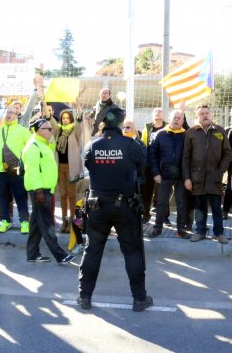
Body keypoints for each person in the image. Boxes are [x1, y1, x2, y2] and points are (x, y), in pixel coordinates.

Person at [77, 107, 152, 312]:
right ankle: (139, 299)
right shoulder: (131, 145)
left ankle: (84, 296)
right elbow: (141, 168)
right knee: (132, 252)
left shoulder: (92, 145)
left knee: (92, 251)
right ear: (120, 124)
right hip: (125, 206)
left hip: (97, 206)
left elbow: (89, 165)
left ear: (103, 123)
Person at [22, 119, 76, 265]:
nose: (52, 131)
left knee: (35, 225)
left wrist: (50, 135)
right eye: (49, 129)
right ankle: (60, 255)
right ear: (40, 130)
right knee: (47, 225)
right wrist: (39, 191)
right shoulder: (33, 146)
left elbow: (52, 144)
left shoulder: (43, 143)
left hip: (45, 190)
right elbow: (32, 171)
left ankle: (32, 254)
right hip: (40, 191)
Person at [183, 104, 232, 243]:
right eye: (201, 113)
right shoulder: (191, 132)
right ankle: (200, 231)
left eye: (207, 113)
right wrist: (187, 178)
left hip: (215, 177)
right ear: (197, 116)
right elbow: (185, 157)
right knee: (199, 208)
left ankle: (219, 233)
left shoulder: (220, 131)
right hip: (197, 178)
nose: (205, 115)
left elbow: (227, 153)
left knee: (217, 207)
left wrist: (220, 170)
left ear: (210, 115)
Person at [0, 106, 31, 233]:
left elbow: (30, 147)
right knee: (3, 196)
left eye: (12, 113)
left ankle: (24, 222)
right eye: (7, 112)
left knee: (20, 196)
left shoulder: (23, 131)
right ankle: (5, 220)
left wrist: (24, 163)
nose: (8, 115)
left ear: (17, 115)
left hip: (16, 169)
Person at [148, 109, 190, 238]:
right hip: (163, 176)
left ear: (183, 121)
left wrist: (187, 176)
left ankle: (181, 229)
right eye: (174, 118)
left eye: (179, 118)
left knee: (182, 204)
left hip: (181, 177)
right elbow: (152, 155)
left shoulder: (187, 135)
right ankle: (157, 228)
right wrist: (155, 173)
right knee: (161, 203)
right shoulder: (159, 134)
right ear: (169, 119)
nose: (177, 120)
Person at [49, 101, 84, 233]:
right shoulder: (58, 131)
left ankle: (72, 220)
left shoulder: (75, 130)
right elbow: (50, 119)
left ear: (71, 119)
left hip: (71, 167)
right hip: (60, 167)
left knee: (71, 194)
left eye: (67, 118)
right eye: (63, 118)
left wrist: (78, 107)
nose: (64, 120)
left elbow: (80, 121)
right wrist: (43, 99)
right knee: (63, 194)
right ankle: (64, 219)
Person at [140, 108, 167, 224]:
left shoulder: (168, 126)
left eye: (160, 111)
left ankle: (165, 216)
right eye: (155, 112)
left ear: (163, 115)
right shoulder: (147, 128)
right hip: (149, 163)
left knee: (164, 190)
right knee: (147, 191)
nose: (158, 113)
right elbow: (143, 144)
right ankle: (145, 214)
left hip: (164, 163)